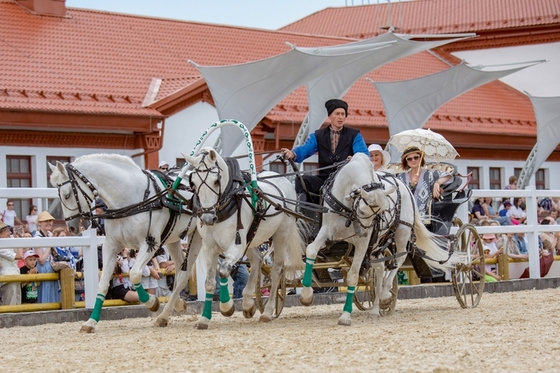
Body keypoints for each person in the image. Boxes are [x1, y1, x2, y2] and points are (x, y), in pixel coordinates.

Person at [281, 98, 368, 202]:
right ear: (330, 116)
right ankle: (304, 211)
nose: (340, 117)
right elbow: (305, 149)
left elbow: (363, 155)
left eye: (343, 114)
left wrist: (354, 158)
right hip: (325, 179)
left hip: (346, 180)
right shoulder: (318, 135)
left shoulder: (354, 135)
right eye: (337, 114)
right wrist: (293, 153)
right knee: (301, 180)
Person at [395, 146, 452, 219]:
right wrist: (411, 185)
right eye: (409, 159)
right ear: (407, 162)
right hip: (404, 213)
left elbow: (448, 175)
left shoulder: (429, 174)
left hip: (424, 214)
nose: (413, 160)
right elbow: (399, 194)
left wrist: (437, 183)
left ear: (420, 159)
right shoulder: (401, 176)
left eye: (416, 157)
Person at [34, 211, 59, 303]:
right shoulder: (37, 238)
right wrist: (49, 244)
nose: (49, 223)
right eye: (46, 221)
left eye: (50, 221)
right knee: (46, 292)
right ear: (39, 223)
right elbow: (41, 260)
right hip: (43, 268)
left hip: (52, 266)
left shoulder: (50, 235)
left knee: (53, 291)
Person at [0, 221, 23, 305]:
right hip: (8, 278)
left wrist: (18, 237)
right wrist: (19, 241)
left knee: (17, 304)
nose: (10, 233)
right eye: (7, 231)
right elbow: (19, 256)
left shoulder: (8, 243)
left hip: (14, 276)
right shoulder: (1, 247)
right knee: (10, 305)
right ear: (0, 234)